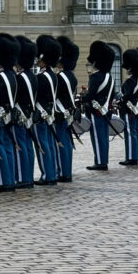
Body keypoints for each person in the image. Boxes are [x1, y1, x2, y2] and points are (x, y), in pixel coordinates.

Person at [0, 33, 19, 191]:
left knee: (0, 146)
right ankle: (10, 178)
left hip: (0, 115)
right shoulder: (13, 75)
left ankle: (4, 181)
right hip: (10, 114)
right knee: (8, 147)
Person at [82, 41, 116, 171]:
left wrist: (83, 97)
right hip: (106, 110)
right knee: (103, 137)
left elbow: (91, 95)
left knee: (97, 136)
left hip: (96, 111)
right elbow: (111, 94)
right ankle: (103, 160)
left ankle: (100, 162)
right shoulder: (110, 77)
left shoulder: (95, 76)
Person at [34, 35, 61, 185]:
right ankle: (53, 173)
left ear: (43, 60)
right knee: (49, 143)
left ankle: (47, 175)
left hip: (41, 113)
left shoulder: (41, 77)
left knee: (42, 144)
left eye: (39, 59)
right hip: (50, 112)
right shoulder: (53, 76)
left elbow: (37, 97)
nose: (37, 61)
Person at [13, 37, 39, 187]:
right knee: (28, 146)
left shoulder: (20, 77)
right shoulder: (32, 76)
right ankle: (28, 175)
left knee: (20, 146)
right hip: (29, 114)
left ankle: (23, 178)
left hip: (20, 114)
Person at [54, 36, 79, 182]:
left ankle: (63, 172)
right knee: (67, 142)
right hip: (68, 111)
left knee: (61, 142)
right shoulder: (71, 76)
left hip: (60, 111)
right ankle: (67, 170)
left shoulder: (60, 76)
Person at [119, 49, 138, 167]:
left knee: (130, 134)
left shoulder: (131, 81)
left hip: (129, 110)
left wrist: (119, 100)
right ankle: (133, 156)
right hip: (135, 110)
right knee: (134, 133)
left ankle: (131, 157)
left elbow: (127, 96)